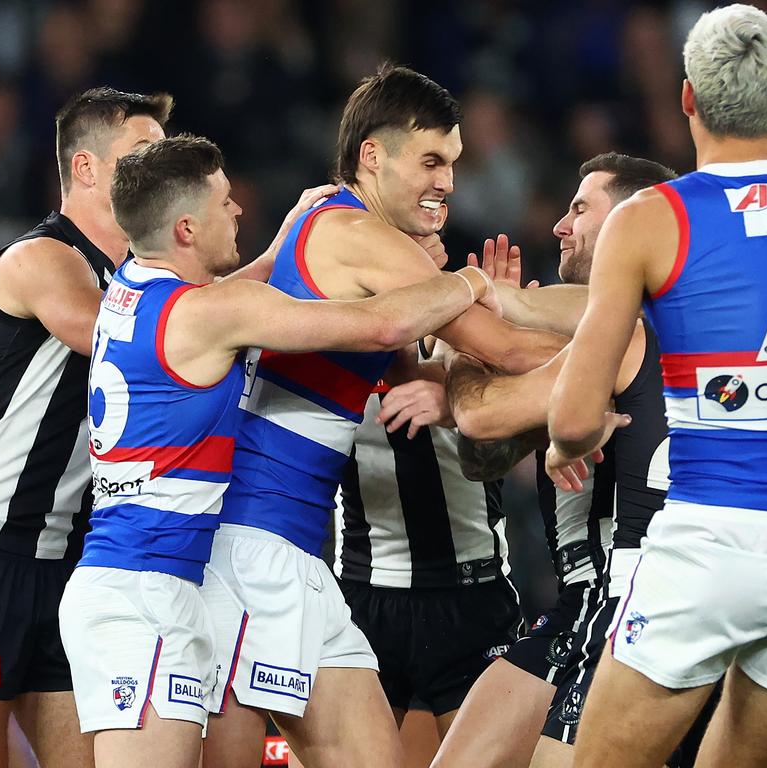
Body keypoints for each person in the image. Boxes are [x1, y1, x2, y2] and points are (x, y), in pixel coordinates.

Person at [544, 6, 767, 767]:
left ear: (687, 99)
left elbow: (578, 418)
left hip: (710, 540)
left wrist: (560, 444)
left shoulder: (651, 218)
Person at [58, 134, 498, 768]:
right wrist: (466, 280)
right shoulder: (211, 314)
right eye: (224, 202)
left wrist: (276, 249)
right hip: (142, 593)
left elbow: (227, 300)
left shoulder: (130, 293)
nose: (237, 209)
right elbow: (382, 325)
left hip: (163, 580)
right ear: (186, 227)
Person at [202, 64, 568, 768]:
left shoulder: (319, 220)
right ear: (374, 154)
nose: (448, 183)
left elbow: (406, 358)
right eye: (431, 160)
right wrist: (640, 348)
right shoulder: (358, 235)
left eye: (455, 164)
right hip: (263, 550)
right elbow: (509, 347)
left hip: (281, 552)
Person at [0, 86, 172, 768]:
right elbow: (108, 337)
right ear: (84, 169)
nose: (163, 177)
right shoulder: (41, 258)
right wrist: (248, 291)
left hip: (67, 569)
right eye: (142, 157)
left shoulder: (141, 279)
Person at [430, 153, 676, 768]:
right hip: (579, 602)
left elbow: (482, 413)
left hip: (626, 600)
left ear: (629, 222)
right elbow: (484, 455)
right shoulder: (613, 328)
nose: (561, 227)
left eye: (580, 209)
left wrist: (471, 342)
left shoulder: (623, 330)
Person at [333, 336, 518, 740]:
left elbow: (508, 444)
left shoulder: (474, 334)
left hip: (469, 600)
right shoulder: (332, 332)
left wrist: (463, 395)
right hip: (365, 600)